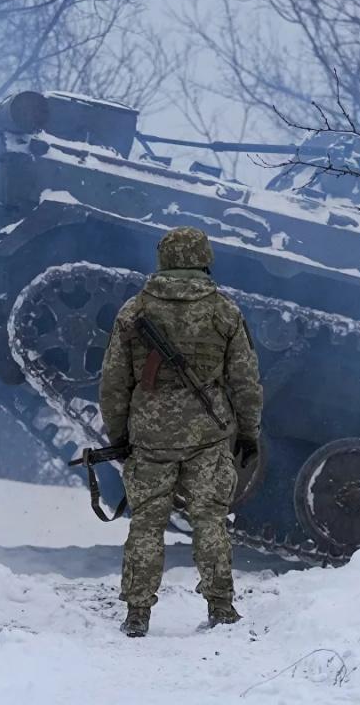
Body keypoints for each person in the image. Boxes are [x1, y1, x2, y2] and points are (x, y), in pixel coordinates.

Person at [99, 226, 263, 637]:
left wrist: (118, 435)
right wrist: (248, 431)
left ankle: (137, 613)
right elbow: (245, 379)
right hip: (208, 435)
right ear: (204, 258)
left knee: (147, 524)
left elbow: (114, 383)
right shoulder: (224, 311)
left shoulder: (134, 312)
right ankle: (221, 607)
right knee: (210, 520)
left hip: (150, 437)